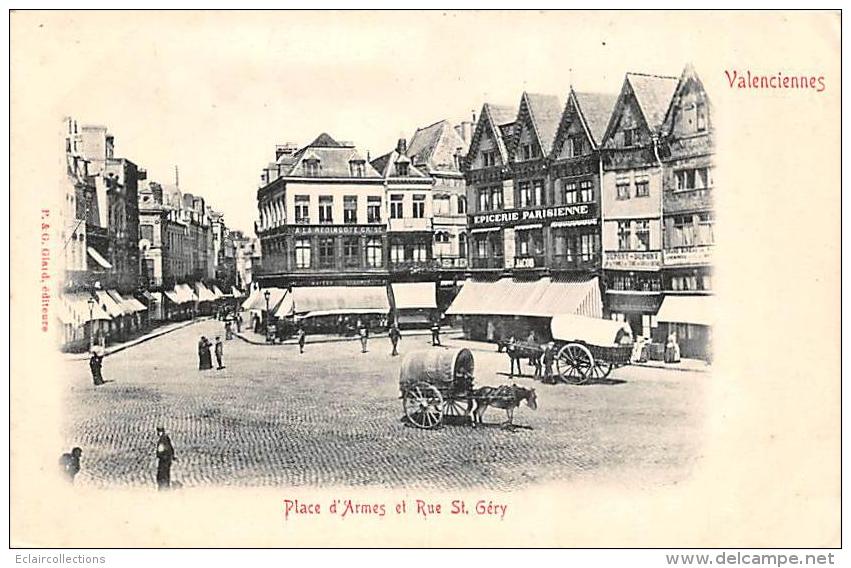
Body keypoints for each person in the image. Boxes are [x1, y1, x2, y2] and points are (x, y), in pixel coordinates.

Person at [155, 426, 175, 491]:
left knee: (162, 474)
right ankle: (166, 486)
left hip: (164, 459)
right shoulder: (166, 438)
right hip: (167, 459)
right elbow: (171, 448)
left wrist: (160, 455)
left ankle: (163, 487)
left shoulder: (163, 439)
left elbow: (162, 450)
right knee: (165, 473)